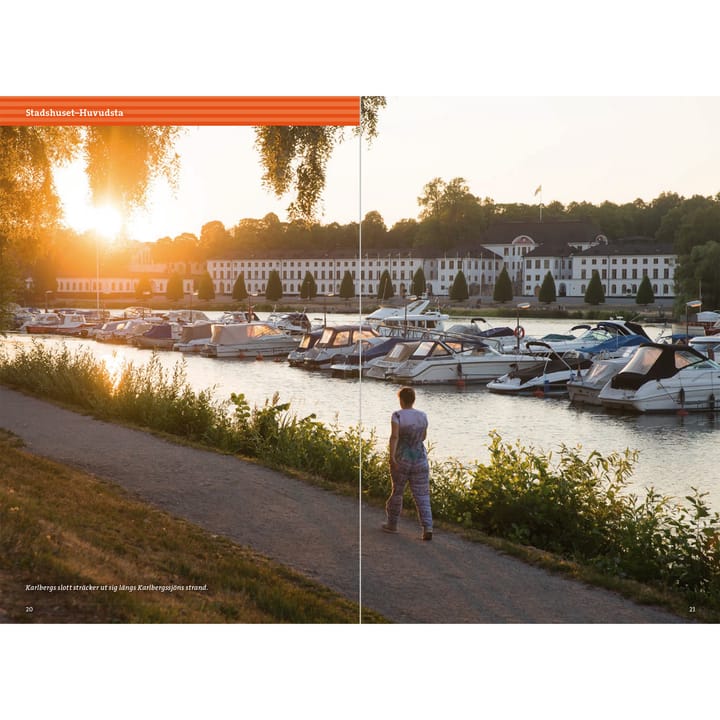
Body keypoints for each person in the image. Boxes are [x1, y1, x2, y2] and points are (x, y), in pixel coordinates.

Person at [383, 386, 433, 540]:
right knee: (422, 494)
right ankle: (427, 527)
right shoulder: (423, 416)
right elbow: (423, 437)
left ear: (401, 400)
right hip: (420, 458)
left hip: (402, 458)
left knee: (397, 491)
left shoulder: (397, 415)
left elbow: (394, 437)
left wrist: (392, 457)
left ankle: (392, 525)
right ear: (413, 400)